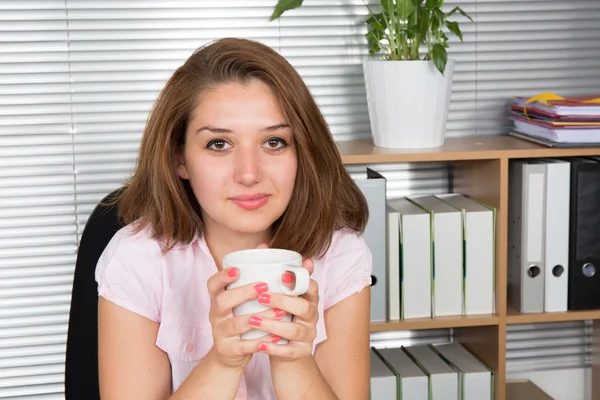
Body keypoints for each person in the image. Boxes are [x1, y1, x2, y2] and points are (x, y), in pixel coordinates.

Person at [95, 37, 372, 400]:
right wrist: (223, 362)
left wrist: (293, 359)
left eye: (273, 142)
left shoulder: (340, 254)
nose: (248, 174)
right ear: (180, 159)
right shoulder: (136, 259)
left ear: (302, 152)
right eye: (219, 144)